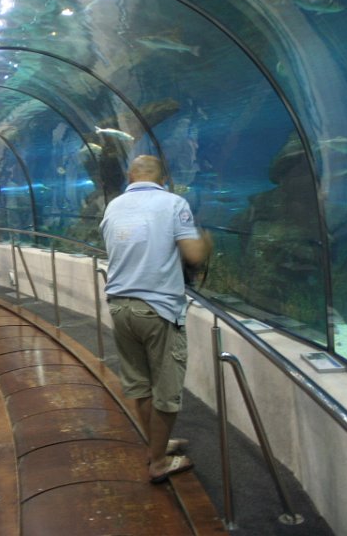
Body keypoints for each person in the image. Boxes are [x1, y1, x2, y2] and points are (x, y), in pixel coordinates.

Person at [100, 155, 212, 484]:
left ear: (130, 176)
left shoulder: (113, 206)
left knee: (141, 386)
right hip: (158, 310)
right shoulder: (173, 203)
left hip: (120, 308)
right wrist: (206, 242)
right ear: (162, 178)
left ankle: (156, 446)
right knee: (166, 391)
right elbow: (193, 254)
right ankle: (160, 463)